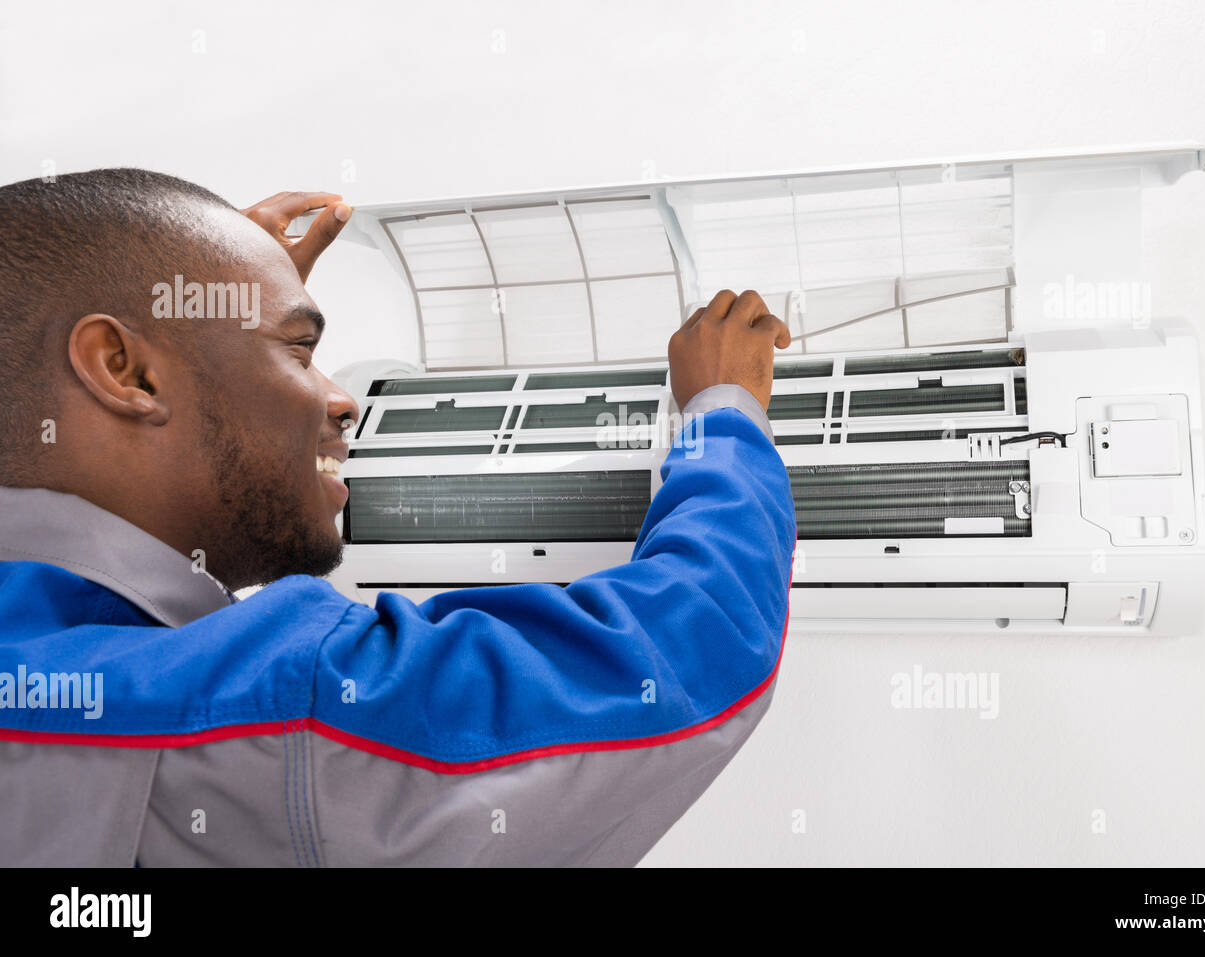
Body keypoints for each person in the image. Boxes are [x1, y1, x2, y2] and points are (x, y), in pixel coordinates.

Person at [0, 169, 796, 866]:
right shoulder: (295, 704)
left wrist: (205, 321)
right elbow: (693, 647)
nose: (344, 400)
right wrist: (721, 412)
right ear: (123, 368)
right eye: (303, 351)